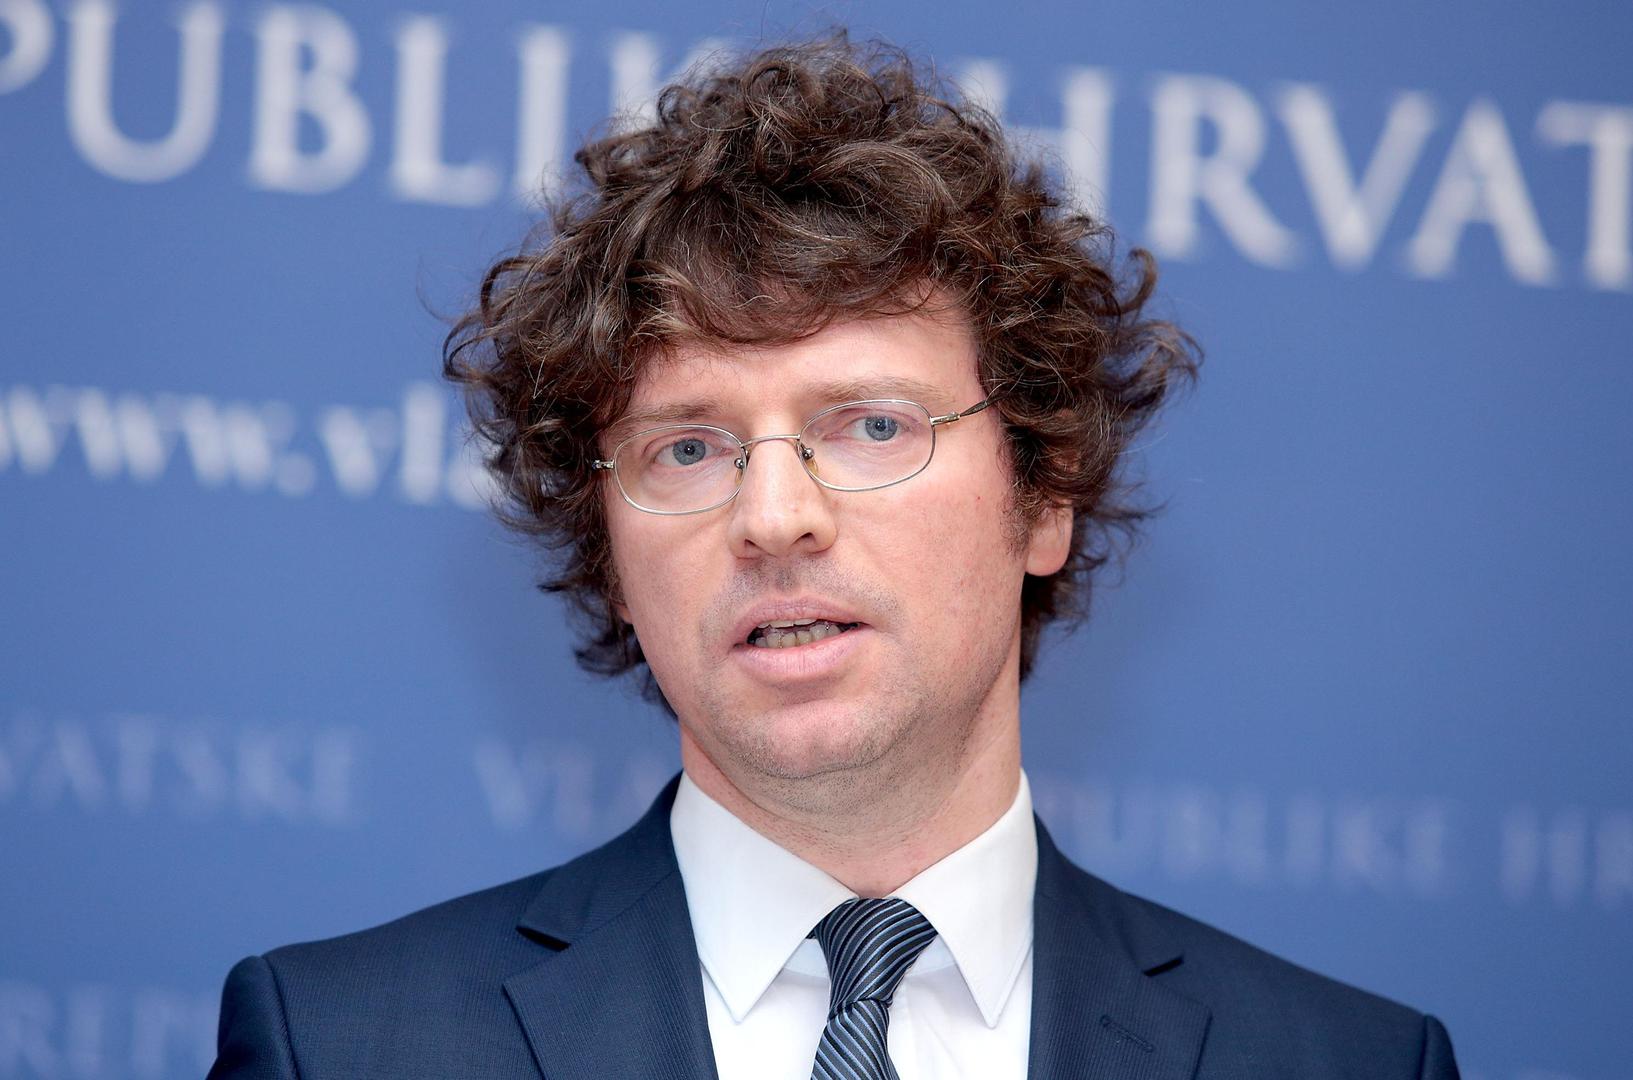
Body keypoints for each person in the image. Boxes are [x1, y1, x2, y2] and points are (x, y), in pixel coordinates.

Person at [208, 34, 1461, 1080]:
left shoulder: (1345, 1062)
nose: (773, 515)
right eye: (687, 449)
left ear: (1042, 496)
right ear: (612, 551)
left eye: (870, 427)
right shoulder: (341, 1044)